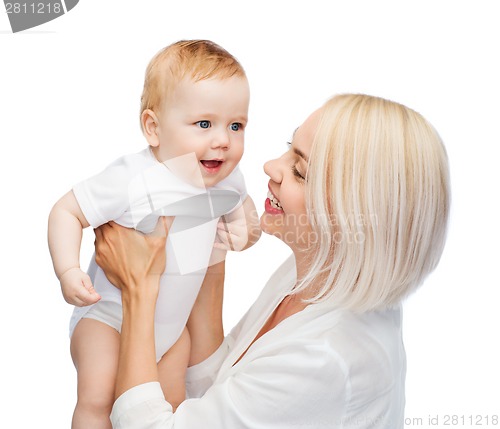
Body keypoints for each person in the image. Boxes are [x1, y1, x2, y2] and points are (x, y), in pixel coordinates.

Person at [94, 93, 450, 428]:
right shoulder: (320, 273)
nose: (270, 167)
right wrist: (212, 251)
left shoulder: (326, 358)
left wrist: (139, 289)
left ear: (353, 214)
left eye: (300, 171)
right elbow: (222, 386)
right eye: (288, 149)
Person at [47, 40, 260, 429]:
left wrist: (246, 232)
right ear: (153, 128)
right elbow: (67, 210)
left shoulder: (229, 180)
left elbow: (243, 212)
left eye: (236, 125)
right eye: (204, 124)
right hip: (110, 317)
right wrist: (67, 270)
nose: (223, 140)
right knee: (98, 399)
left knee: (169, 406)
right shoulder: (133, 178)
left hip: (173, 330)